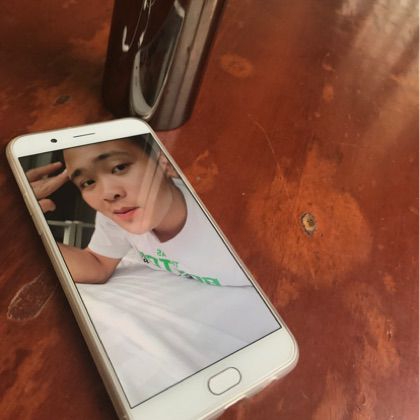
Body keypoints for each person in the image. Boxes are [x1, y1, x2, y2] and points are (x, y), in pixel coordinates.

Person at [28, 137, 250, 287]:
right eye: (87, 182)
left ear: (163, 161)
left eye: (119, 167)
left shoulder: (233, 217)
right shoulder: (116, 215)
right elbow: (97, 264)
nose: (108, 193)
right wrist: (20, 226)